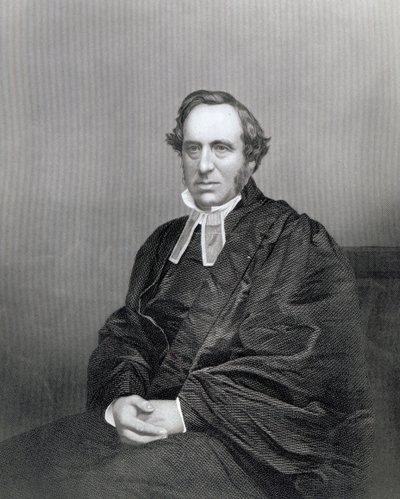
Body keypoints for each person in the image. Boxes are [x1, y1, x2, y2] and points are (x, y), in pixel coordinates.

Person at [0, 90, 373, 498]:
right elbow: (129, 336)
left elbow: (295, 368)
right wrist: (121, 401)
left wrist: (184, 411)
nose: (204, 165)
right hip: (146, 422)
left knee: (92, 491)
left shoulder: (296, 240)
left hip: (247, 446)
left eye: (221, 148)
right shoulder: (163, 243)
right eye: (193, 149)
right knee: (14, 465)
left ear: (250, 160)